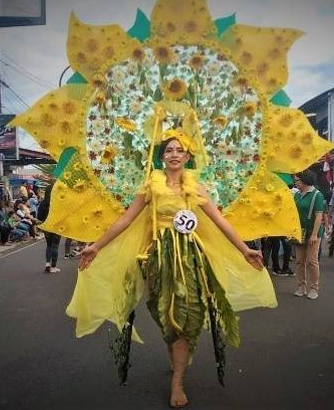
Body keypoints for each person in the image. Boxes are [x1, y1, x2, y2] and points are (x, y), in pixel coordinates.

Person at [71, 131, 275, 408]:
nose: (174, 154)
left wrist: (245, 248)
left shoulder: (196, 188)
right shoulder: (149, 187)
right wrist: (96, 246)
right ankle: (177, 353)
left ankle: (177, 380)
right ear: (162, 157)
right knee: (163, 313)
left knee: (185, 314)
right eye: (169, 150)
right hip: (158, 258)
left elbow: (219, 221)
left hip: (190, 258)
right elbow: (126, 220)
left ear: (188, 157)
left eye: (180, 150)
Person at [293, 170, 325, 300]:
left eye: (297, 180)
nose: (296, 183)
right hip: (300, 232)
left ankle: (314, 288)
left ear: (304, 180)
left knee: (312, 261)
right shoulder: (297, 195)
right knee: (300, 261)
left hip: (313, 233)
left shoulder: (317, 195)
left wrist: (314, 234)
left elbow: (319, 216)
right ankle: (301, 286)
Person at [37, 185, 60, 273]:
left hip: (46, 226)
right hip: (57, 227)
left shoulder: (43, 203)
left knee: (49, 245)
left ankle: (47, 264)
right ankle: (53, 267)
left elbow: (39, 216)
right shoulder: (59, 203)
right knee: (55, 246)